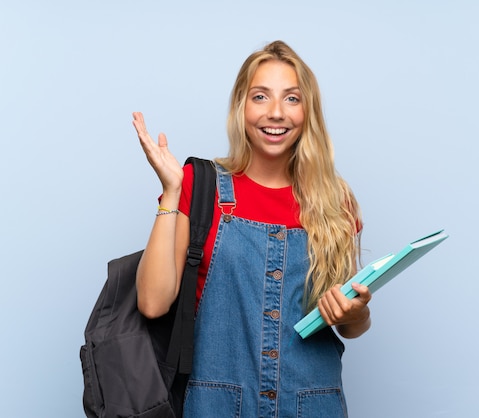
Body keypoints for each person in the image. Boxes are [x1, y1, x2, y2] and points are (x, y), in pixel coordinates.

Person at [132, 40, 372, 418]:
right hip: (216, 406)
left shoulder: (334, 201)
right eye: (261, 96)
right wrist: (172, 192)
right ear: (241, 108)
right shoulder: (199, 185)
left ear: (308, 111)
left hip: (313, 405)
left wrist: (356, 312)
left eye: (291, 99)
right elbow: (152, 302)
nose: (276, 113)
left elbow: (350, 325)